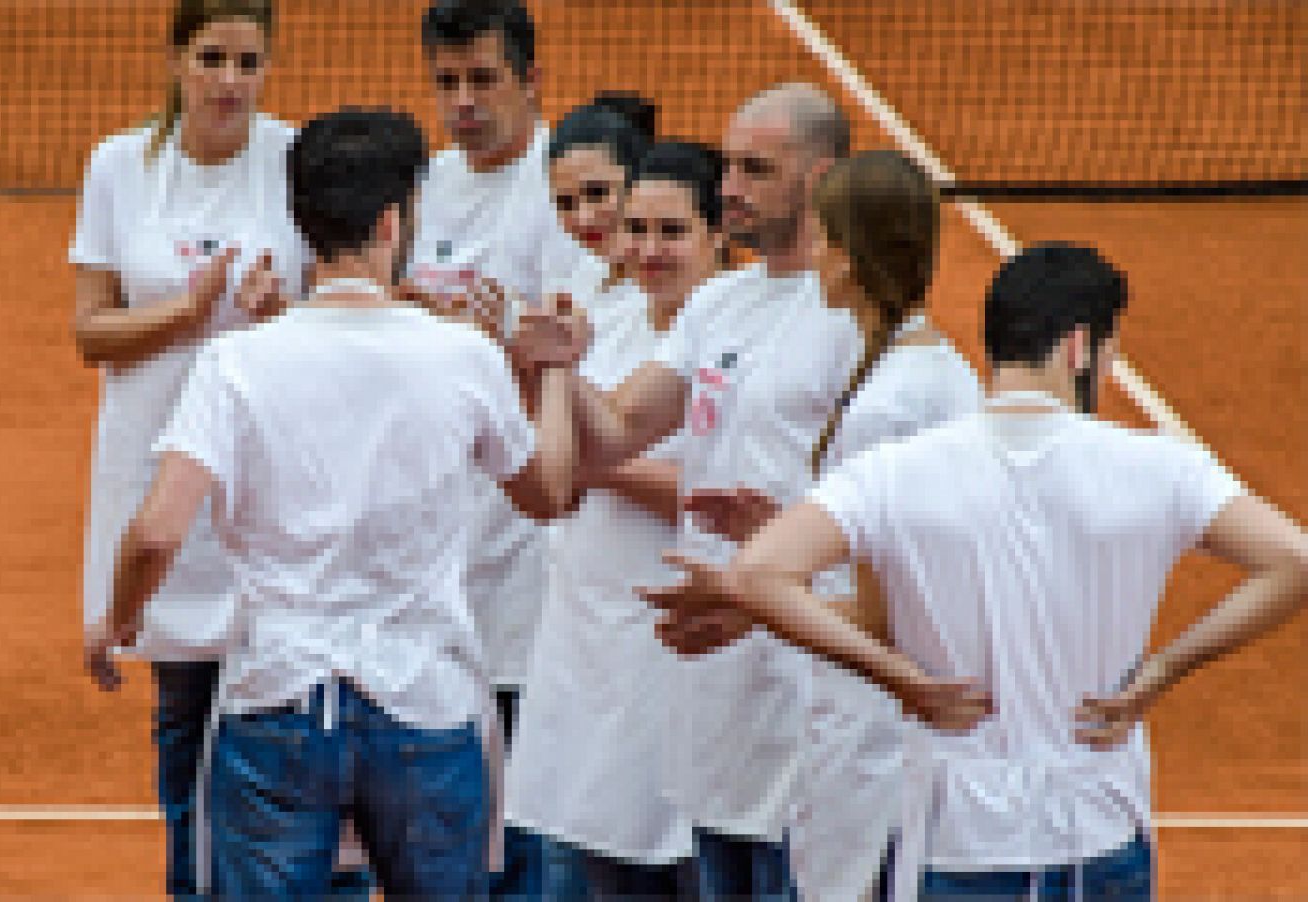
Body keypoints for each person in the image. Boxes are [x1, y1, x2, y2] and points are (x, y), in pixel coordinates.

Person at [645, 242, 1308, 901]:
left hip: (959, 842)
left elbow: (759, 573)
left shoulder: (894, 471)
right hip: (1101, 836)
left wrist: (902, 680)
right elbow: (1294, 562)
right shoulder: (1162, 467)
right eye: (1109, 353)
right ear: (1080, 348)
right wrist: (1163, 671)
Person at [86, 106, 588, 898]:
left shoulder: (235, 362)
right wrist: (554, 373)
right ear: (394, 220)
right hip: (427, 708)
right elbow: (550, 491)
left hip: (278, 705)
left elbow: (155, 532)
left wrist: (118, 619)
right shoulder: (464, 356)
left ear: (301, 220)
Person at [515, 82, 861, 900]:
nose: (730, 185)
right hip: (713, 696)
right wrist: (555, 366)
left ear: (817, 179)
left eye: (751, 169)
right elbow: (623, 424)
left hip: (806, 690)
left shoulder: (852, 318)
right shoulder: (720, 301)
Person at [687, 149, 982, 901]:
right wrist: (783, 544)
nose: (812, 255)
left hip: (878, 736)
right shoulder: (929, 367)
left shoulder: (889, 404)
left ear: (851, 259)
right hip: (886, 732)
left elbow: (884, 614)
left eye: (822, 239)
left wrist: (748, 593)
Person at [67, 1, 307, 894]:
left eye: (249, 61)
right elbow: (91, 334)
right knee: (181, 726)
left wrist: (277, 314)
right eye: (212, 58)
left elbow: (340, 313)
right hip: (157, 476)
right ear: (175, 60)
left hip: (266, 485)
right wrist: (189, 310)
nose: (230, 81)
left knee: (269, 735)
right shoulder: (120, 167)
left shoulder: (293, 160)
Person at [508, 142, 727, 899]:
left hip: (684, 657)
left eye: (672, 232)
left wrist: (588, 455)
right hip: (588, 655)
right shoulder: (611, 319)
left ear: (716, 238)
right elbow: (555, 484)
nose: (646, 250)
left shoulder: (728, 337)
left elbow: (711, 495)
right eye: (637, 229)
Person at [412, 1, 591, 895]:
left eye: (483, 80)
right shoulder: (425, 186)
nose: (464, 103)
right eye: (447, 83)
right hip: (442, 552)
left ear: (530, 80)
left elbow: (583, 353)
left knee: (524, 836)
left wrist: (513, 344)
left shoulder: (567, 198)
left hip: (528, 565)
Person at [545, 92, 657, 299]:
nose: (584, 218)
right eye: (566, 203)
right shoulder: (580, 278)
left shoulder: (673, 294)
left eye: (598, 193)